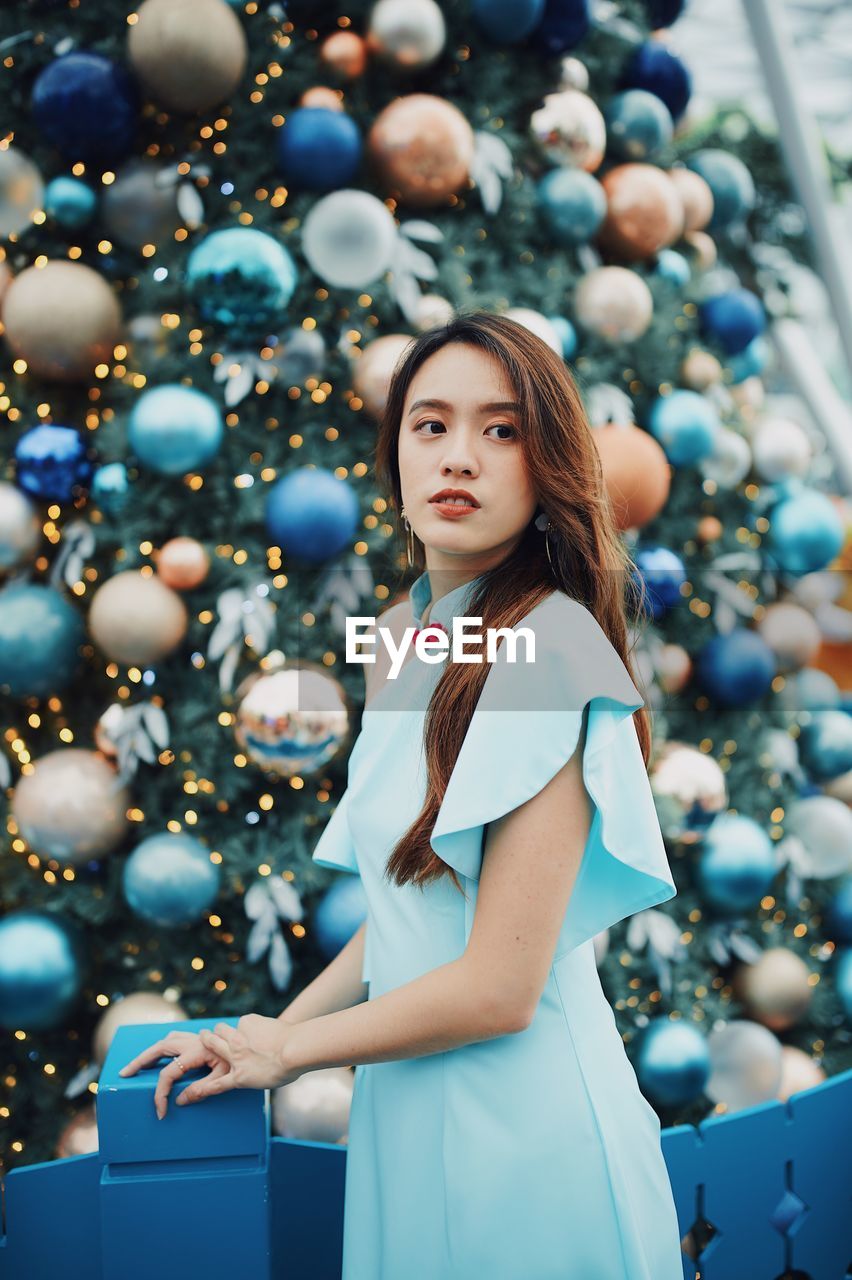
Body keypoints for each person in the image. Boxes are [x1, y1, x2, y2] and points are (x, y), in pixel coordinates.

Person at [119, 311, 684, 1279]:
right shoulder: (403, 637)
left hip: (528, 1143)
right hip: (407, 1117)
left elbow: (501, 988)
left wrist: (292, 1055)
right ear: (395, 454)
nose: (459, 455)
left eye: (500, 430)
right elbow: (409, 912)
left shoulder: (549, 647)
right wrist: (267, 1034)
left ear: (545, 463)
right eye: (431, 424)